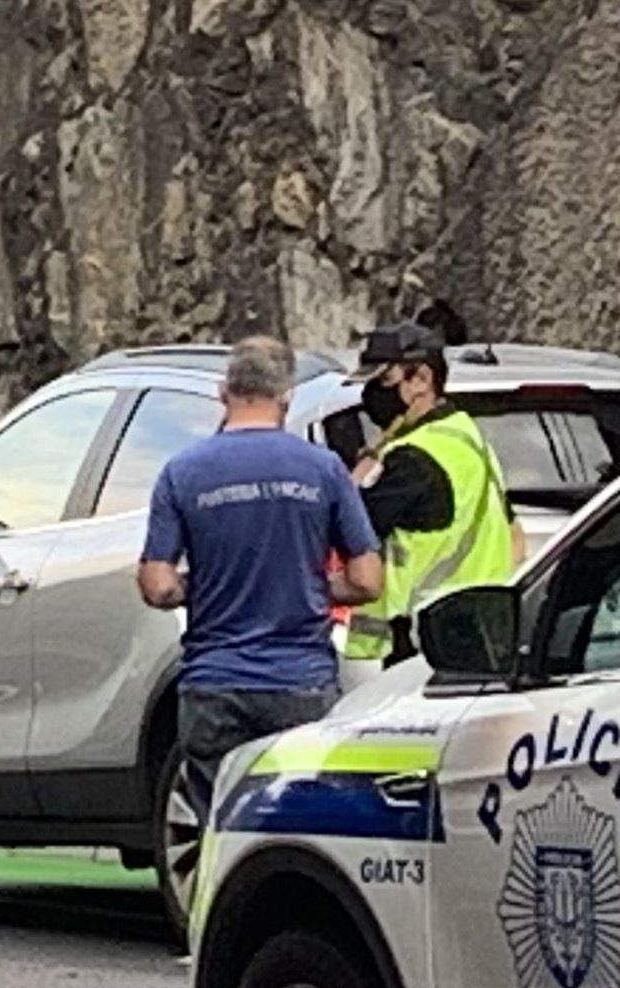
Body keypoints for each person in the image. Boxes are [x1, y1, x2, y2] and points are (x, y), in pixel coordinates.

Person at [139, 337, 383, 862]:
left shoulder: (183, 471)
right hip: (301, 680)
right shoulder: (323, 469)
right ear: (286, 397)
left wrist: (200, 586)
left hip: (215, 681)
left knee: (218, 831)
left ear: (222, 392)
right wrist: (308, 586)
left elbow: (157, 585)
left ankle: (217, 911)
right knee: (301, 833)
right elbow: (367, 580)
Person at [345, 315, 518, 666]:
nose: (372, 396)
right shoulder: (465, 435)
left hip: (420, 644)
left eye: (384, 381)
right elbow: (514, 534)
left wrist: (357, 475)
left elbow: (347, 529)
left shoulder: (413, 459)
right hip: (479, 630)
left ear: (422, 379)